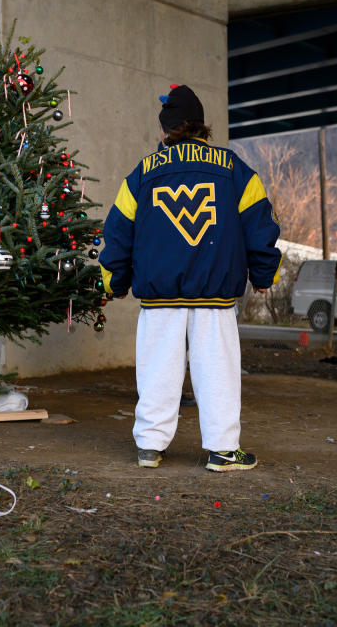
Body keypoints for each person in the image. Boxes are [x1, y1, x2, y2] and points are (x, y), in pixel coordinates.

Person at [98, 84, 282, 472]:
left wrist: (114, 282)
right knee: (218, 371)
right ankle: (222, 450)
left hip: (160, 295)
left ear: (166, 130)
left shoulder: (142, 174)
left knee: (156, 370)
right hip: (214, 295)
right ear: (202, 128)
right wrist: (263, 275)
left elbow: (118, 232)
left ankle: (149, 446)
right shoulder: (235, 170)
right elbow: (260, 225)